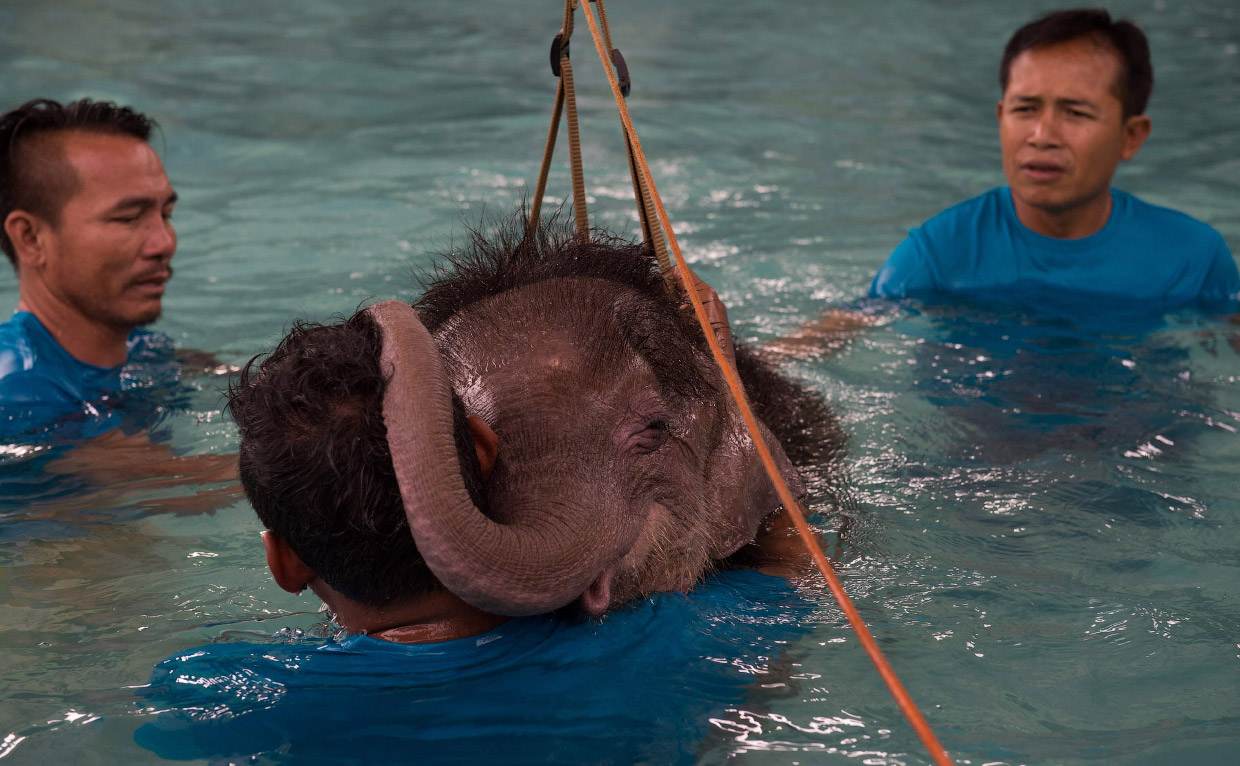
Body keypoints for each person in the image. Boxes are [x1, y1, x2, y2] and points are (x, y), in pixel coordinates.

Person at [132, 306, 813, 763]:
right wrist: (723, 389)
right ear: (483, 455)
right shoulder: (690, 642)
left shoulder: (216, 695)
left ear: (281, 561)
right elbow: (788, 540)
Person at [870, 8, 1239, 305]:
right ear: (1000, 119)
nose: (1042, 136)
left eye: (1075, 113)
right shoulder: (939, 255)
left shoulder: (1192, 261)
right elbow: (830, 339)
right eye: (1025, 109)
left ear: (1130, 136)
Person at [0, 98, 180, 439]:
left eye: (166, 216)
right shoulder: (17, 399)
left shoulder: (144, 350)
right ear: (31, 238)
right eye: (128, 218)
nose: (165, 243)